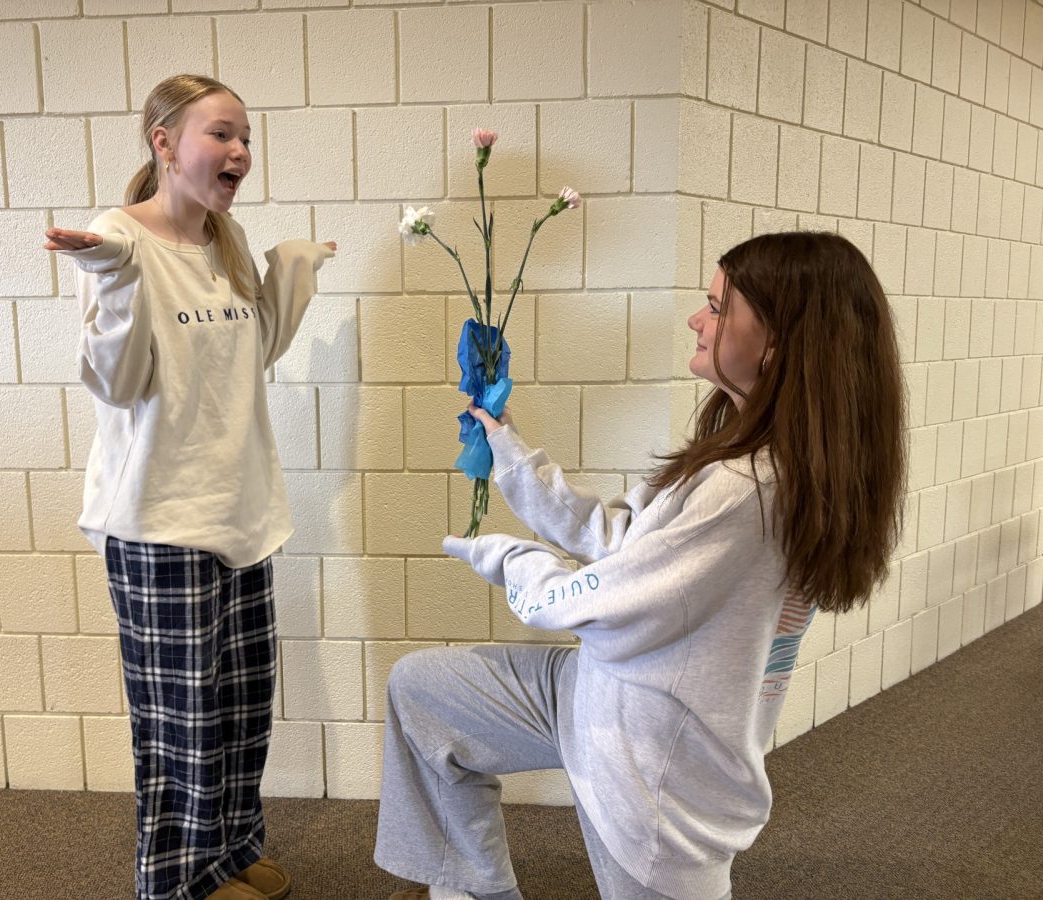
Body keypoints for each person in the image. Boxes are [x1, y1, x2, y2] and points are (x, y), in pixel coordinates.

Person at [374, 232, 906, 900]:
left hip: (652, 756)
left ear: (777, 341)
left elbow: (602, 606)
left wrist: (510, 558)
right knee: (425, 693)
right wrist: (506, 447)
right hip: (605, 693)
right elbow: (620, 536)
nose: (697, 319)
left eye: (717, 307)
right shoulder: (741, 451)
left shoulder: (747, 489)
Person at [43, 74, 335, 900]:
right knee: (180, 724)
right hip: (158, 517)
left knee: (242, 705)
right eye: (221, 134)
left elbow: (250, 358)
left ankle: (232, 852)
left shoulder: (227, 242)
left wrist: (291, 272)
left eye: (245, 136)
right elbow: (118, 379)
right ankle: (176, 882)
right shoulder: (118, 240)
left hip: (242, 509)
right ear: (164, 142)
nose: (239, 150)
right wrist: (116, 281)